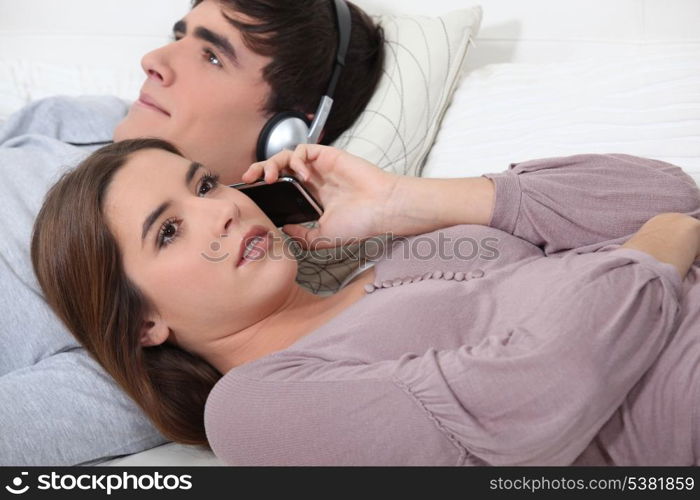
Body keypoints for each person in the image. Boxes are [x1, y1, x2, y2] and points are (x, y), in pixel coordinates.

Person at [31, 137, 700, 465]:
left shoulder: (402, 253)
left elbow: (666, 197)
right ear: (144, 322)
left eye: (206, 185)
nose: (224, 213)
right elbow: (540, 391)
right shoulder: (250, 409)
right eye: (169, 230)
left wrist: (405, 202)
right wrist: (646, 258)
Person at [0, 0, 384, 465]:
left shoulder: (172, 315)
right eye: (180, 36)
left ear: (286, 137)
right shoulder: (90, 118)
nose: (153, 61)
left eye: (212, 57)